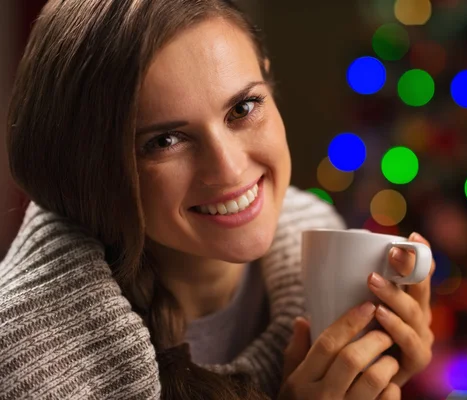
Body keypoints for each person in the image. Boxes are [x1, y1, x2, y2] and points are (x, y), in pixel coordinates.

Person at [0, 0, 436, 398]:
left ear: (267, 75)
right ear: (87, 166)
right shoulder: (24, 357)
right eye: (165, 140)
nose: (228, 169)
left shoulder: (313, 233)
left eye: (243, 108)